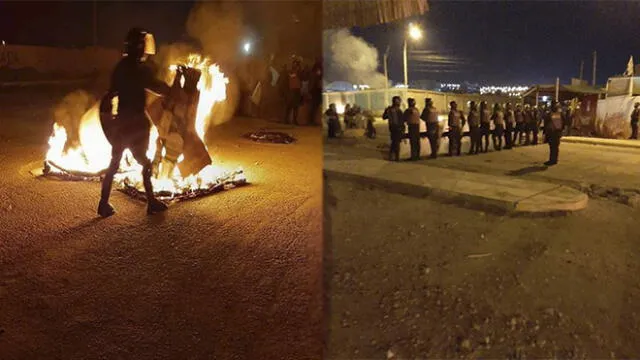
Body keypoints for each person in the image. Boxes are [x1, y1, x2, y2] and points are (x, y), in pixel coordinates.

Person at [98, 27, 170, 217]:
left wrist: (110, 123)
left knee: (114, 164)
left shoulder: (120, 67)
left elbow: (109, 96)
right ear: (139, 47)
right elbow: (158, 87)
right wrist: (173, 88)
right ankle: (151, 202)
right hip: (136, 123)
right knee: (145, 163)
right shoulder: (140, 70)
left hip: (121, 123)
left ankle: (103, 203)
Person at [382, 96, 405, 161]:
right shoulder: (397, 110)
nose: (399, 102)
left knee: (394, 142)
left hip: (393, 127)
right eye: (399, 101)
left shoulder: (390, 109)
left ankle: (391, 155)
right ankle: (397, 157)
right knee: (396, 142)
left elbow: (384, 117)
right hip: (397, 128)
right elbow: (401, 120)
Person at [283, 56, 303, 125]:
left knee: (295, 106)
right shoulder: (290, 71)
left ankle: (294, 120)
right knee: (290, 105)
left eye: (297, 64)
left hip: (297, 89)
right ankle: (286, 120)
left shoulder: (298, 71)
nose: (296, 65)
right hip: (291, 90)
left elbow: (301, 76)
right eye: (295, 63)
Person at [544, 101, 564, 166]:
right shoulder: (559, 113)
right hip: (555, 132)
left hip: (553, 132)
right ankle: (553, 160)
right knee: (554, 147)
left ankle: (553, 160)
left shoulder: (552, 113)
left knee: (553, 147)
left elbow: (548, 123)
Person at [308, 58, 323, 126]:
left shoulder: (316, 70)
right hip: (315, 91)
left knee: (315, 107)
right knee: (314, 107)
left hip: (316, 90)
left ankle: (313, 120)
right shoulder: (317, 70)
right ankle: (311, 121)